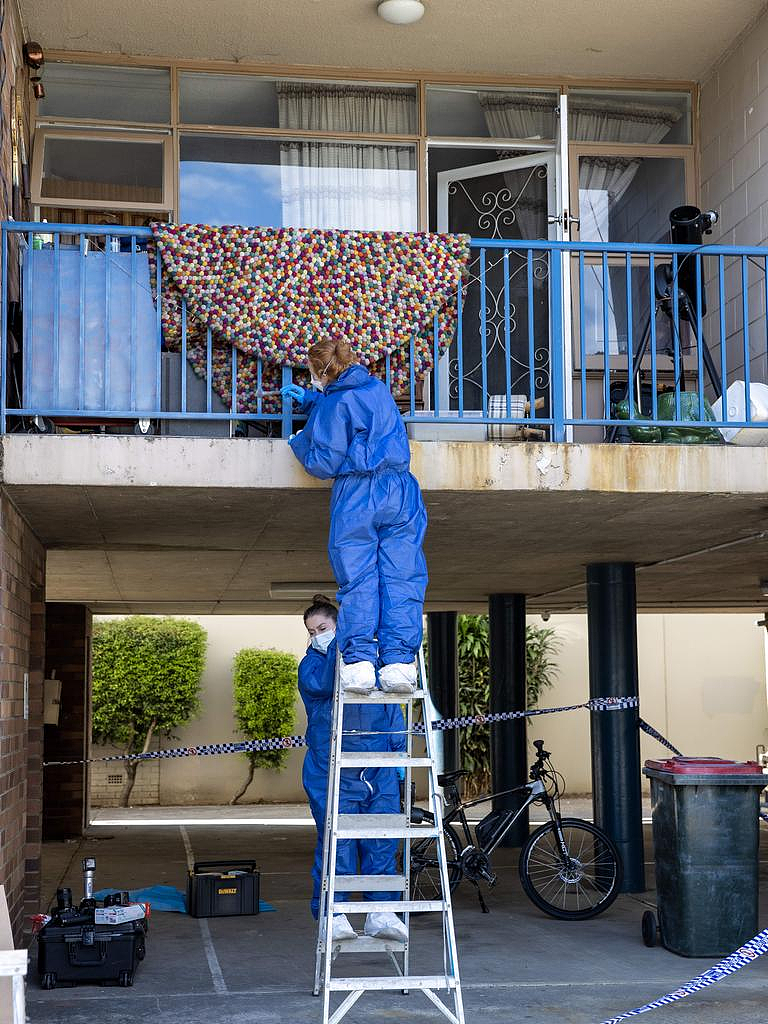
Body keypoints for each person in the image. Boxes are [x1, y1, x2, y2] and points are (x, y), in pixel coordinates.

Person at [282, 338, 428, 696]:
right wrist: (318, 403)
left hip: (358, 494)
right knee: (402, 575)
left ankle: (361, 663)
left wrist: (299, 441)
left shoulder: (334, 401)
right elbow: (356, 413)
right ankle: (398, 663)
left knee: (359, 578)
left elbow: (324, 461)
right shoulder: (376, 388)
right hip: (401, 489)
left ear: (321, 371)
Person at [299, 594, 408, 943]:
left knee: (380, 844)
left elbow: (393, 713)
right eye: (312, 631)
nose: (318, 635)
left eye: (324, 628)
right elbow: (328, 682)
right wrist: (345, 641)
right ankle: (336, 916)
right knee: (338, 848)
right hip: (332, 771)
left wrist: (399, 759)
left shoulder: (369, 666)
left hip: (377, 771)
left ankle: (382, 913)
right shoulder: (313, 665)